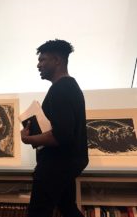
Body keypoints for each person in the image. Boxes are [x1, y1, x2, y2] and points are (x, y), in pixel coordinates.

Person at [20, 39, 89, 217]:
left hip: (55, 166)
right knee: (67, 208)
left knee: (38, 212)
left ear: (57, 60)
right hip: (67, 164)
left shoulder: (60, 89)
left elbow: (62, 135)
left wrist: (28, 139)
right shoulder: (71, 87)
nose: (38, 65)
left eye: (43, 60)